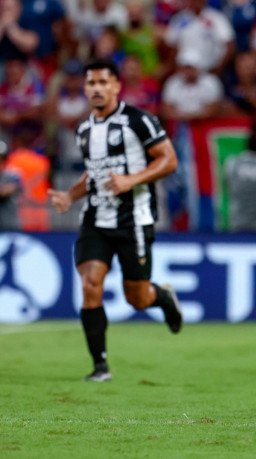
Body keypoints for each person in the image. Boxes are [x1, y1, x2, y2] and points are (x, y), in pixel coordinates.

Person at [47, 59, 183, 382]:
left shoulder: (140, 121)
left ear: (116, 86)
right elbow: (93, 173)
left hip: (133, 219)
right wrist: (70, 195)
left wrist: (131, 180)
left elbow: (169, 160)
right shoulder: (83, 129)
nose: (96, 89)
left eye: (102, 82)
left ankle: (161, 296)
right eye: (90, 83)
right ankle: (100, 367)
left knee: (136, 299)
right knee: (90, 284)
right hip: (95, 218)